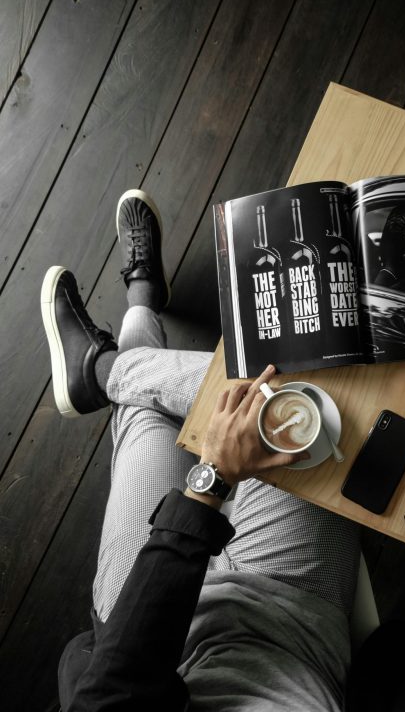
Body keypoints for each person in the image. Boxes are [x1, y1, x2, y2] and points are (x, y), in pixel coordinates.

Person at [42, 190, 362, 711]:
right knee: (316, 410)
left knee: (146, 413)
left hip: (143, 624)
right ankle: (110, 356)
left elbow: (112, 681)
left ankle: (129, 323)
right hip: (285, 619)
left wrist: (214, 476)